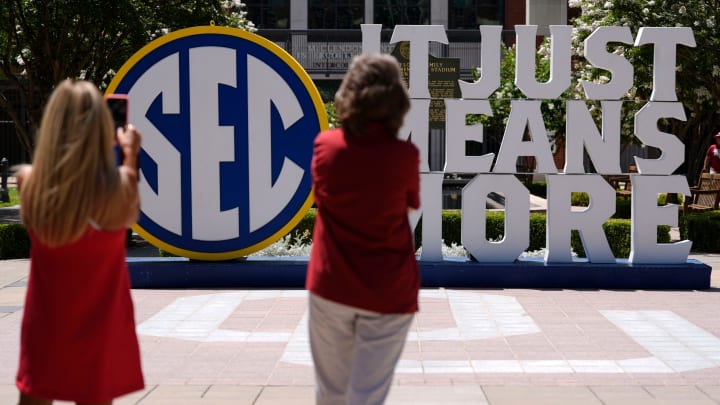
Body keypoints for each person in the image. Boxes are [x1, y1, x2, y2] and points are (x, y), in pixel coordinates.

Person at [15, 79, 144, 405]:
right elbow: (130, 200)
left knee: (34, 397)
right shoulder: (120, 189)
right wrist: (130, 155)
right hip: (99, 332)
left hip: (46, 328)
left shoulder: (29, 184)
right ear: (101, 128)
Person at [306, 53, 420, 405]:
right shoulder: (405, 155)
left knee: (330, 393)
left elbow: (321, 200)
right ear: (397, 102)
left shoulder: (326, 147)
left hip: (331, 284)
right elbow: (407, 206)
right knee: (366, 397)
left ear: (348, 95)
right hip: (389, 289)